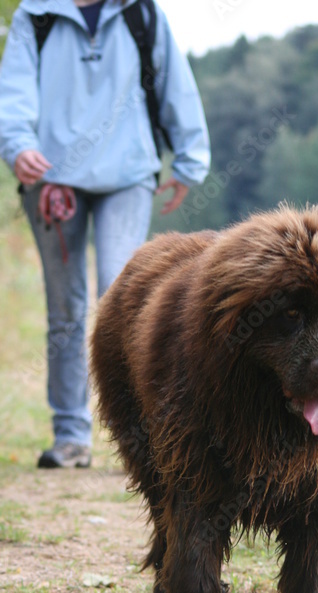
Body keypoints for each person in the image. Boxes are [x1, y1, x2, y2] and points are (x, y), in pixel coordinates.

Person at [0, 0, 211, 468]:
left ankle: (137, 437)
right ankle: (71, 436)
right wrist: (17, 146)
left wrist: (189, 160)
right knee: (65, 309)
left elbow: (175, 84)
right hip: (50, 177)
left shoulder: (141, 12)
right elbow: (12, 91)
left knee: (123, 302)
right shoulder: (35, 14)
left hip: (127, 173)